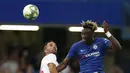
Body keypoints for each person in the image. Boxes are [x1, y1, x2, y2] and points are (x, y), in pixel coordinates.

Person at [57, 20, 122, 73]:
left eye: (86, 34)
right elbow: (64, 64)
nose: (83, 36)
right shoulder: (76, 46)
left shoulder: (101, 42)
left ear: (93, 34)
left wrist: (107, 32)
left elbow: (117, 47)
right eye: (82, 34)